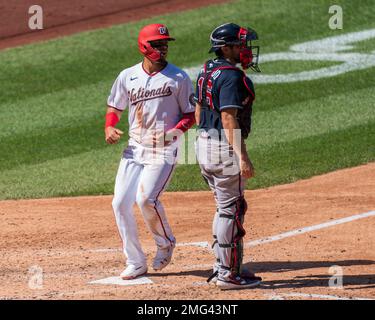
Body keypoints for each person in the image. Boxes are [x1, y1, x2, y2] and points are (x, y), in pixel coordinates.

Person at [105, 23, 195, 280]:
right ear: (145, 46)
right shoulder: (127, 76)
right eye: (157, 43)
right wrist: (109, 128)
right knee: (120, 203)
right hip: (134, 148)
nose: (163, 47)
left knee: (146, 200)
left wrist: (173, 133)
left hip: (163, 151)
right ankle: (135, 261)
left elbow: (191, 115)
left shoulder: (178, 78)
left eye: (165, 43)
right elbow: (114, 107)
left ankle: (165, 242)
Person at [194, 22, 262, 290]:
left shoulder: (205, 71)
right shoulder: (231, 77)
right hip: (223, 148)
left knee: (224, 207)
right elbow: (228, 117)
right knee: (232, 210)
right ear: (226, 47)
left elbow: (199, 111)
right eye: (240, 45)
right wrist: (242, 157)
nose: (245, 50)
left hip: (203, 144)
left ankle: (223, 266)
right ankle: (228, 275)